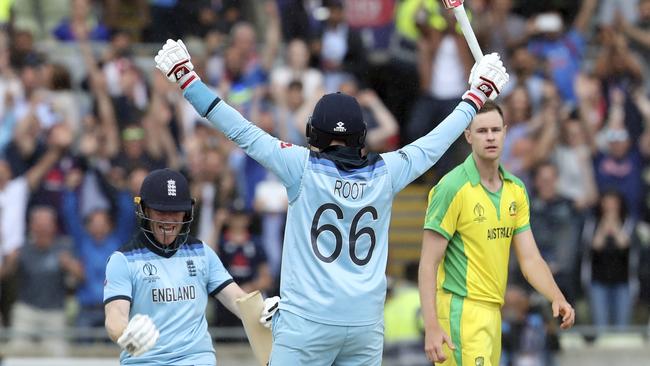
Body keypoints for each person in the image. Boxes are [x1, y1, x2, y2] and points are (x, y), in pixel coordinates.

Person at [154, 39, 508, 365]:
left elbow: (239, 128)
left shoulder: (300, 166)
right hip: (365, 324)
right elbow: (436, 142)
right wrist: (476, 95)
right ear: (362, 137)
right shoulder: (388, 171)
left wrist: (187, 80)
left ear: (314, 135)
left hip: (307, 324)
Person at [418, 101, 575, 366]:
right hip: (460, 312)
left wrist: (556, 296)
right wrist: (431, 326)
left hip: (493, 312)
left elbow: (530, 259)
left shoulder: (516, 189)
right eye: (481, 131)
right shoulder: (451, 188)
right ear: (468, 136)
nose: (490, 137)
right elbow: (428, 263)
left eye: (495, 130)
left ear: (505, 132)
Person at [103, 168, 279, 365]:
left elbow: (238, 299)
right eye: (161, 211)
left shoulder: (202, 252)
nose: (168, 220)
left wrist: (266, 312)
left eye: (175, 212)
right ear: (144, 210)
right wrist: (125, 334)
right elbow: (115, 315)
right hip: (146, 361)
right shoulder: (123, 260)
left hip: (196, 359)